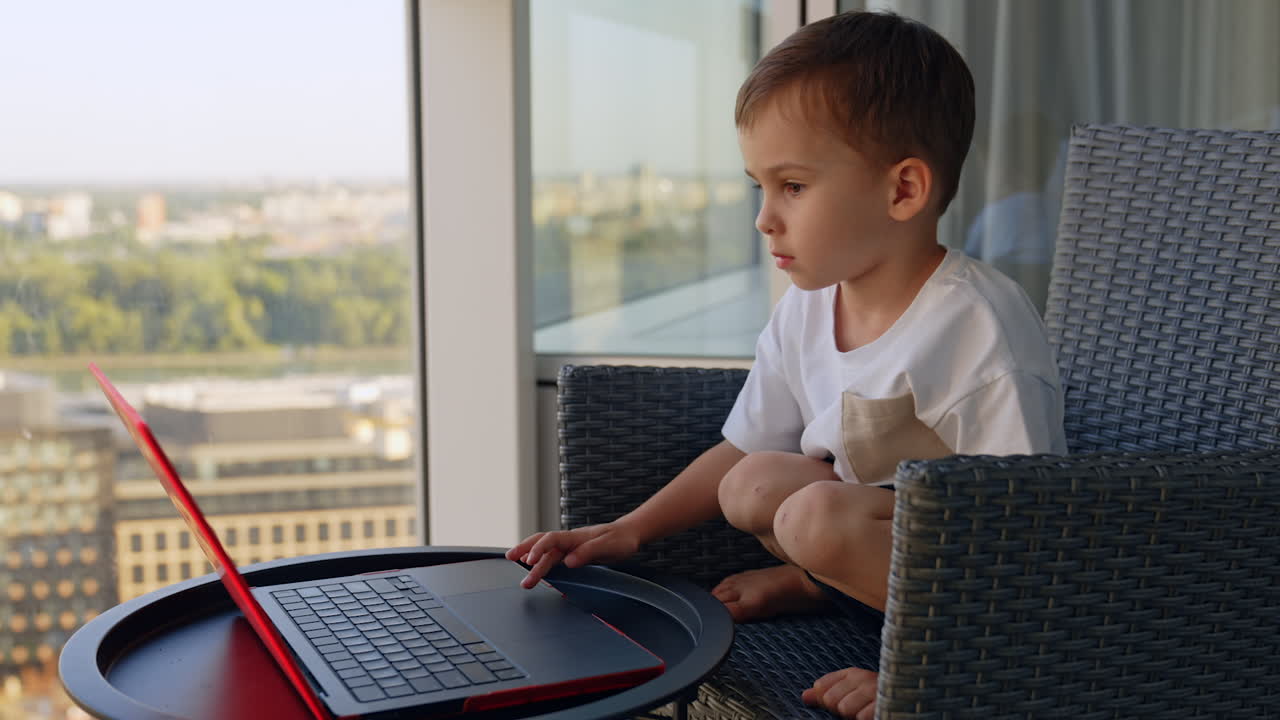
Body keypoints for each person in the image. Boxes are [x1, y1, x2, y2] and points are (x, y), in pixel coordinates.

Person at [509, 10, 1065, 720]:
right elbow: (746, 442)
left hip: (971, 595)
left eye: (793, 187)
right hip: (862, 540)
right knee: (753, 481)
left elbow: (1031, 534)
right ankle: (818, 582)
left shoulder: (977, 327)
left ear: (903, 191)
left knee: (813, 514)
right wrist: (631, 528)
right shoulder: (809, 304)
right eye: (758, 187)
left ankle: (897, 630)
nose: (765, 218)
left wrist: (928, 670)